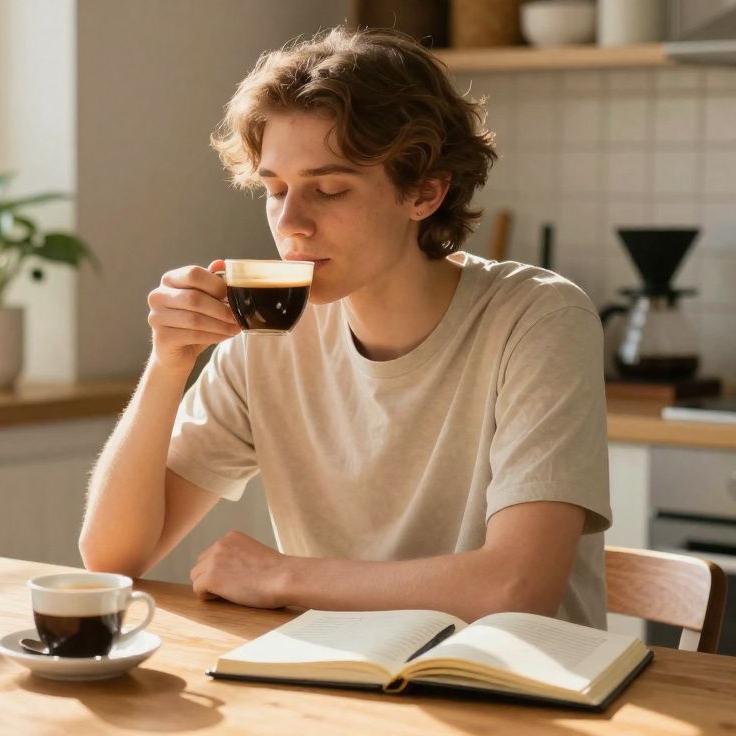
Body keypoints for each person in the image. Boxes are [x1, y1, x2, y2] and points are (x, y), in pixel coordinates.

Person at [78, 26, 611, 627]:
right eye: (275, 189)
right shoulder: (269, 341)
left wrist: (284, 576)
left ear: (425, 191)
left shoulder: (538, 319)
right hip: (341, 687)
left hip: (517, 698)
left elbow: (516, 588)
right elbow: (112, 556)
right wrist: (168, 363)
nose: (291, 224)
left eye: (328, 189)